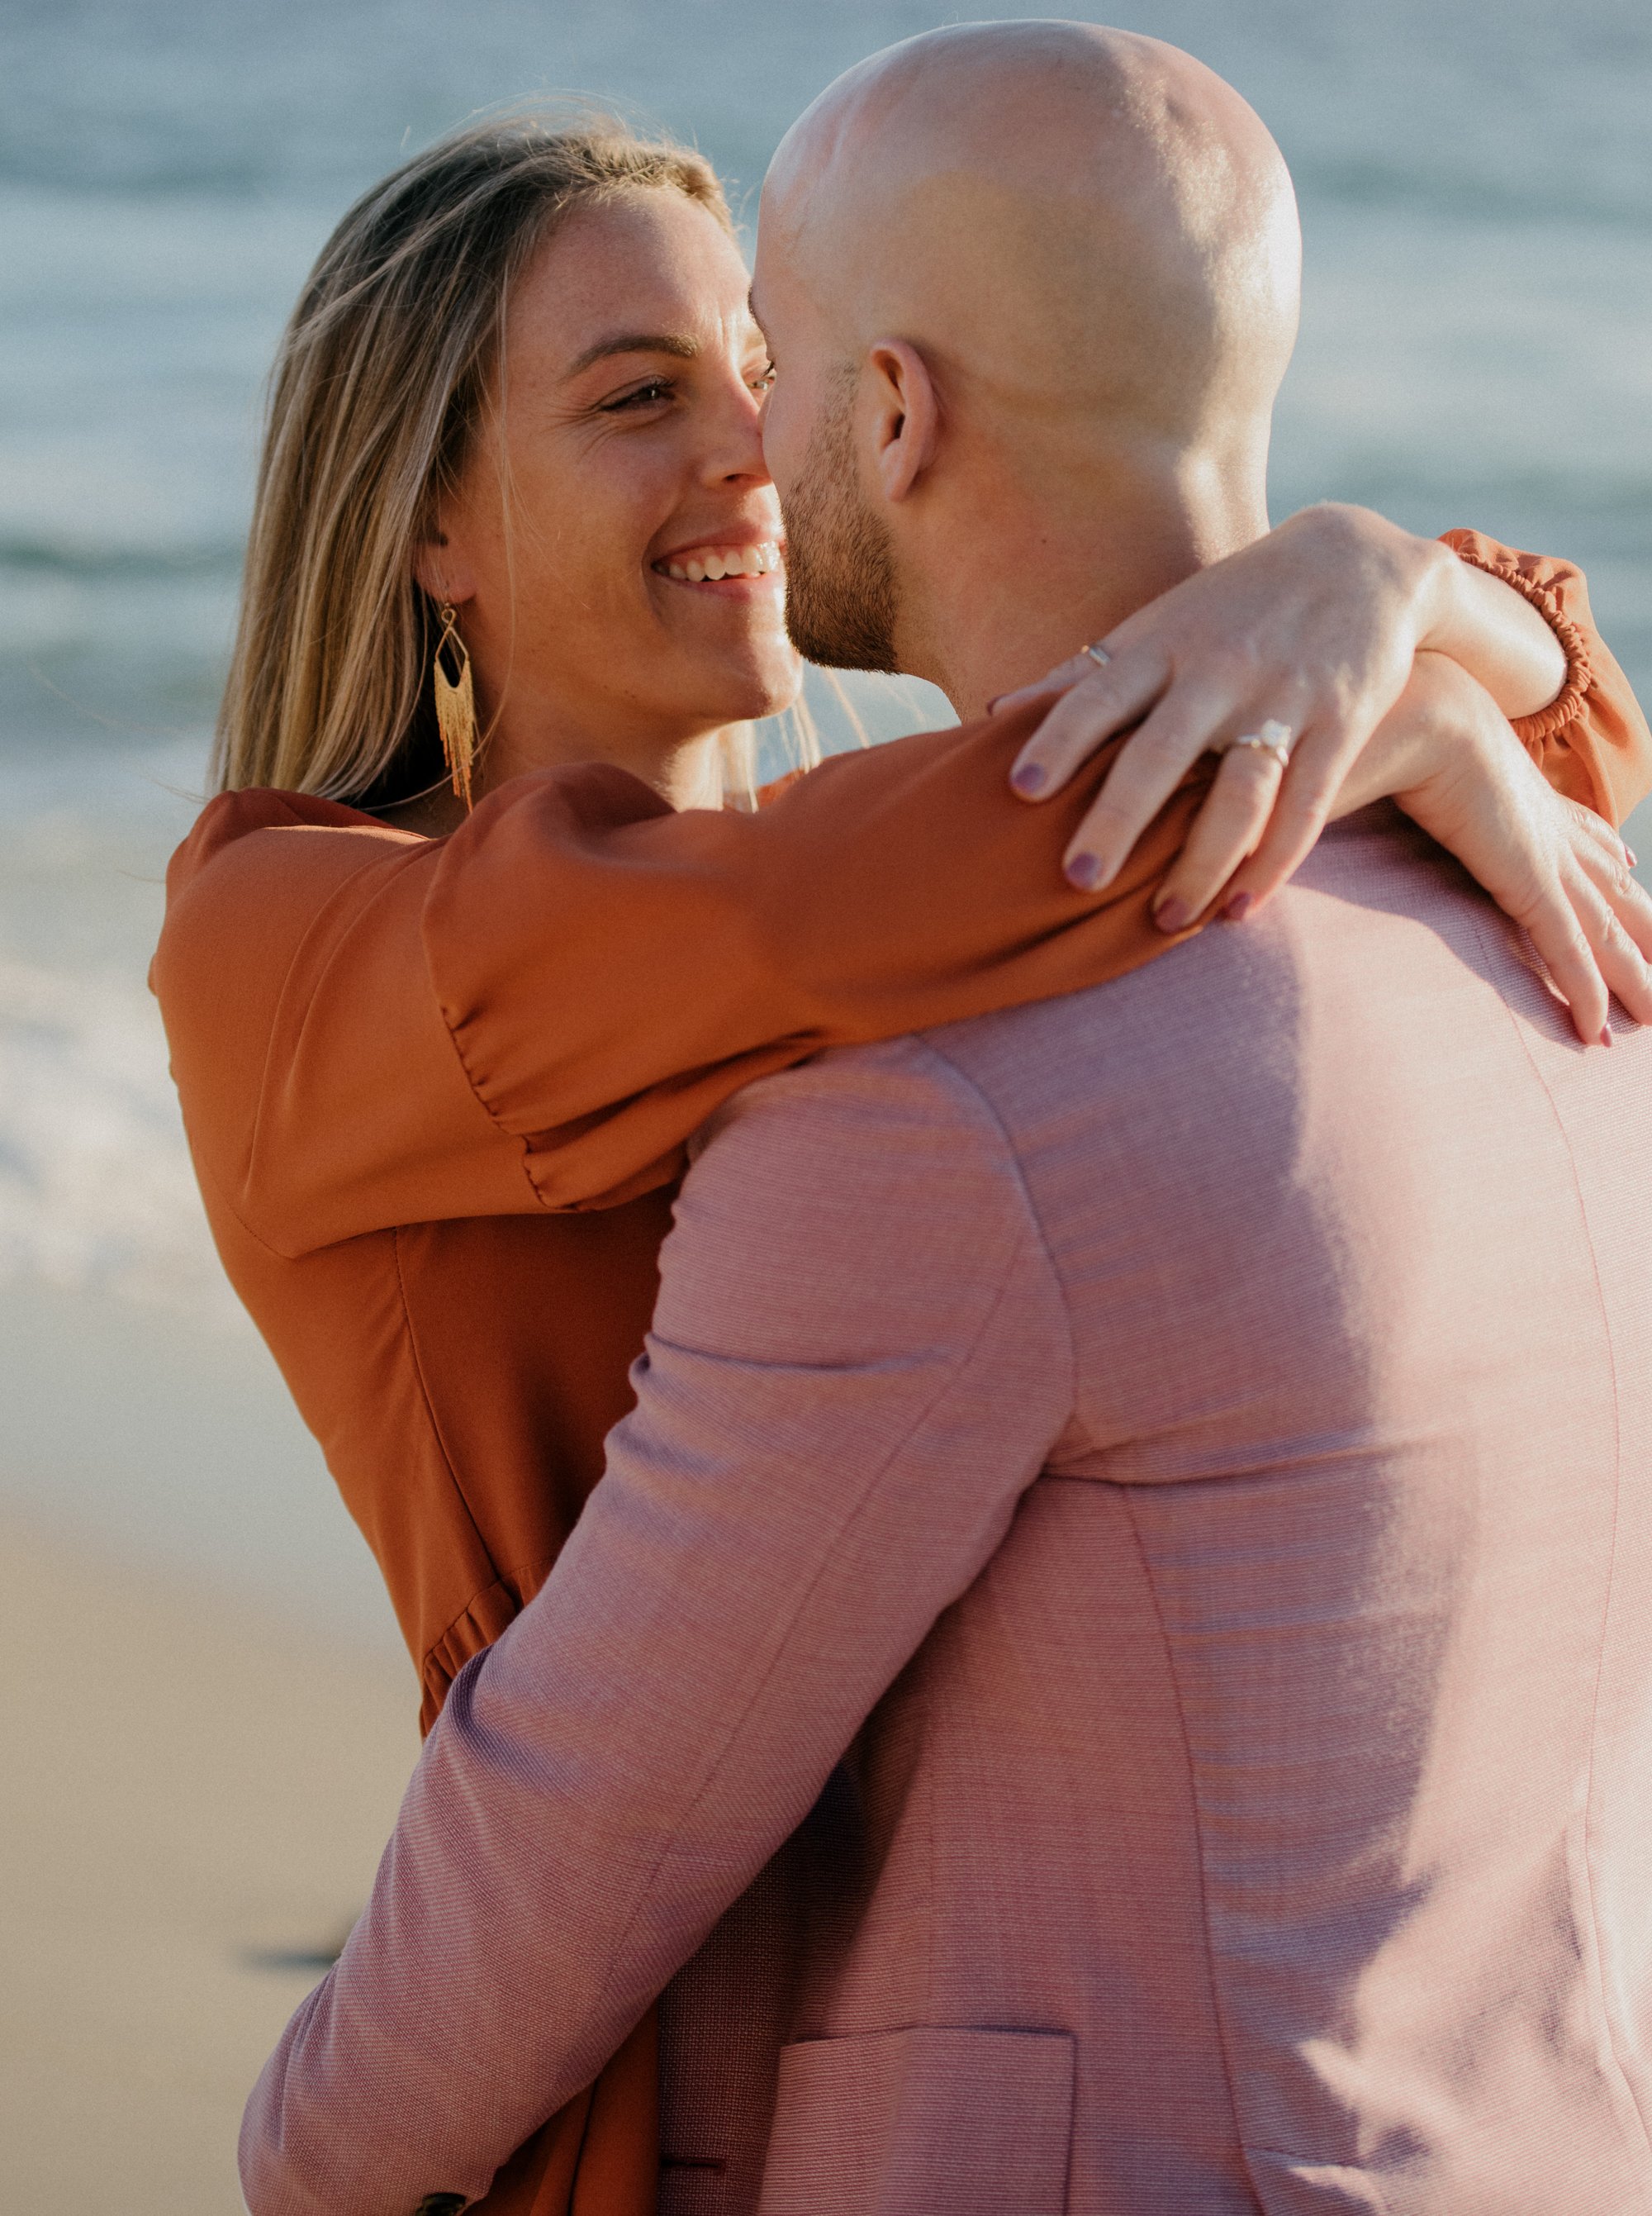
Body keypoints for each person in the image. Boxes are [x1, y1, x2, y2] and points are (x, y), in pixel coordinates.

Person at [156, 93, 1647, 2216]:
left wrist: (1379, 605)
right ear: (426, 528)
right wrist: (1361, 654)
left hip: (901, 2028)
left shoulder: (879, 906)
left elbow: (1560, 760)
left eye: (763, 376)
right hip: (583, 2048)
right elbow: (916, 881)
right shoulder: (297, 944)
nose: (753, 454)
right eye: (635, 397)